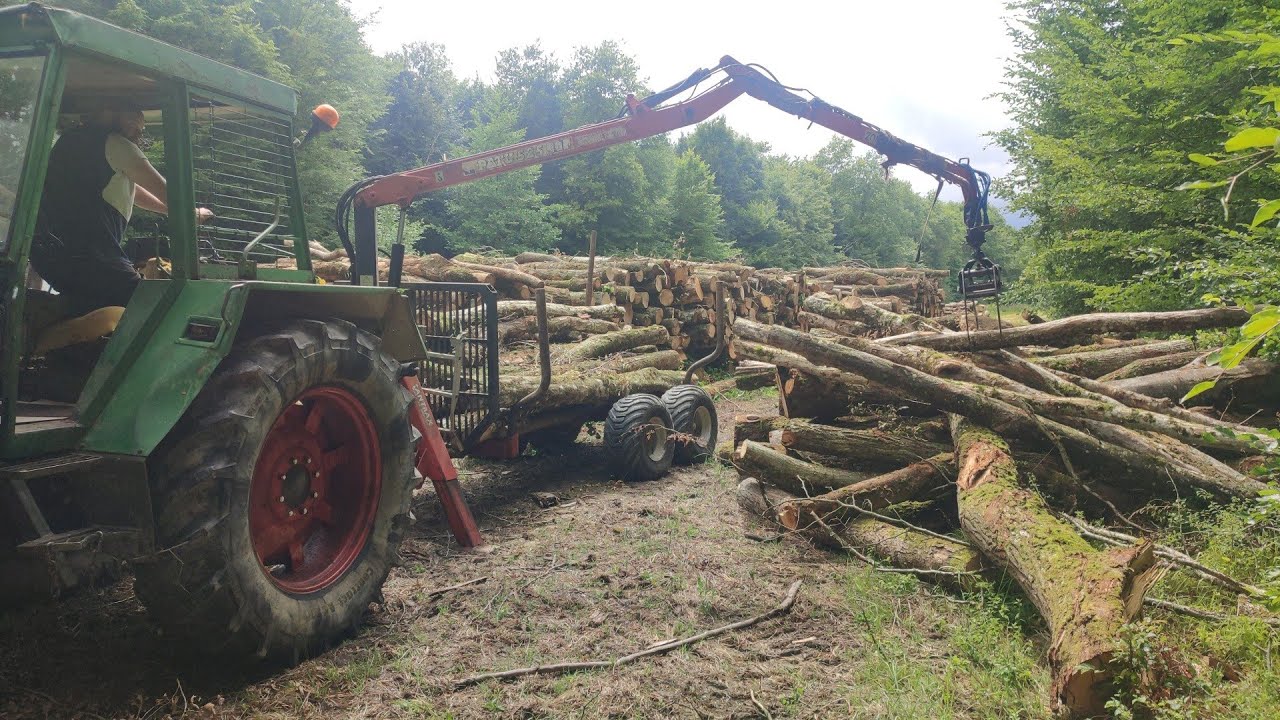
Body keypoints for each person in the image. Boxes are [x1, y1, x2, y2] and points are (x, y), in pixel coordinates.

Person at [29, 103, 212, 316]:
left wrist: (171, 211)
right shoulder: (116, 143)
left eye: (141, 127)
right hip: (93, 259)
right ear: (109, 113)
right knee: (149, 311)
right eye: (133, 120)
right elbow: (170, 194)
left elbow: (134, 190)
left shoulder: (69, 141)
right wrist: (191, 214)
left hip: (48, 259)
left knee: (93, 311)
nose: (138, 130)